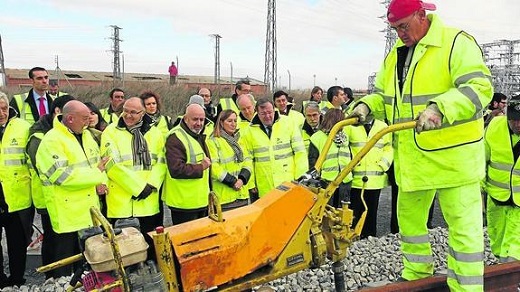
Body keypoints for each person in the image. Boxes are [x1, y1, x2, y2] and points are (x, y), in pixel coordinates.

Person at [348, 0, 493, 289]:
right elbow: (384, 96)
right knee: (410, 221)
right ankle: (417, 273)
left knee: (463, 229)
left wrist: (440, 107)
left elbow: (479, 88)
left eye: (403, 26)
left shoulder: (455, 43)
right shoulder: (396, 56)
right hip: (414, 160)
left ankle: (467, 287)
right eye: (394, 28)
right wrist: (365, 106)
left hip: (455, 161)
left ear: (421, 15)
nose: (399, 33)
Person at [36, 100, 109, 277]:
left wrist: (101, 181)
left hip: (88, 210)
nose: (89, 120)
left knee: (87, 259)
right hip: (67, 212)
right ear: (70, 119)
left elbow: (99, 163)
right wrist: (96, 175)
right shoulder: (52, 141)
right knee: (65, 260)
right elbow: (61, 176)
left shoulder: (86, 136)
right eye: (84, 118)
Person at [101, 97, 166, 258]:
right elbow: (111, 165)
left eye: (133, 112)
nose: (128, 116)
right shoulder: (111, 131)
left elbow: (162, 162)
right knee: (123, 251)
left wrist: (151, 184)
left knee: (149, 249)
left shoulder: (155, 133)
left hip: (148, 202)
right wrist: (138, 187)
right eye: (125, 111)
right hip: (121, 202)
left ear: (143, 113)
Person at [26, 94, 75, 279]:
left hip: (64, 196)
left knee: (64, 238)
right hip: (47, 197)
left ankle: (64, 276)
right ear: (57, 112)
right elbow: (47, 170)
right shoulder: (39, 136)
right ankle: (51, 277)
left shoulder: (62, 132)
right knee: (52, 238)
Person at [242, 98, 308, 197]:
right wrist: (251, 183)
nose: (267, 116)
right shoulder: (249, 131)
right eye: (263, 114)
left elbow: (300, 152)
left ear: (274, 109)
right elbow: (248, 159)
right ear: (257, 113)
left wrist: (301, 178)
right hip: (265, 183)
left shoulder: (288, 123)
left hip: (288, 181)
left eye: (269, 112)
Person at [0, 91, 32, 288]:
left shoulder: (23, 127)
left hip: (18, 196)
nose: (1, 113)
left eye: (3, 108)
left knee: (18, 244)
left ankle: (17, 279)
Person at [484, 94, 520, 263]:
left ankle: (510, 276)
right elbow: (481, 159)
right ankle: (504, 272)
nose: (518, 125)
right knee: (498, 241)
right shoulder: (494, 127)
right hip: (497, 198)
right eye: (514, 120)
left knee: (515, 248)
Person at [163, 103, 212, 224]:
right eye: (195, 119)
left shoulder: (195, 134)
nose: (199, 123)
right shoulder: (176, 137)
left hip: (199, 201)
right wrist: (201, 167)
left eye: (202, 119)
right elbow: (176, 169)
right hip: (183, 203)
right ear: (185, 118)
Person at [345, 117, 393, 238]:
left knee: (371, 213)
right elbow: (345, 147)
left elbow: (389, 148)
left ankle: (370, 239)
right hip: (355, 178)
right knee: (354, 213)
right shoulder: (352, 126)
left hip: (375, 180)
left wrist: (383, 165)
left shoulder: (382, 126)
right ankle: (352, 239)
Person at [207, 110, 252, 210]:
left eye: (235, 121)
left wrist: (242, 179)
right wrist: (232, 182)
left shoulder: (239, 140)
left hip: (242, 194)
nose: (233, 124)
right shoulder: (213, 141)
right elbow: (214, 167)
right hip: (224, 197)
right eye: (230, 121)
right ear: (221, 123)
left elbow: (248, 160)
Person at [308, 109, 352, 208]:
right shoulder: (317, 137)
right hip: (326, 181)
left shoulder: (344, 136)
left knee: (343, 213)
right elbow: (312, 162)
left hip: (345, 181)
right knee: (326, 212)